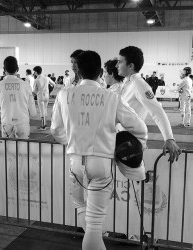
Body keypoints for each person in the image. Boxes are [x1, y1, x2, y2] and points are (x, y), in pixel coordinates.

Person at [51, 50, 148, 250]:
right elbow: (139, 127)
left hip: (75, 162)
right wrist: (134, 147)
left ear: (77, 69)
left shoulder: (64, 94)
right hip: (102, 164)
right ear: (100, 71)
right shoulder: (110, 97)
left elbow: (56, 130)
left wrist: (72, 143)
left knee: (81, 209)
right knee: (94, 226)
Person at [116, 46, 181, 162]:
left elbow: (157, 112)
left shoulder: (139, 85)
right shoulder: (127, 83)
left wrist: (169, 138)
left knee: (130, 179)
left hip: (132, 145)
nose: (117, 65)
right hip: (122, 141)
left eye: (120, 62)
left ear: (130, 66)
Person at [0, 56, 37, 139]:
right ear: (17, 69)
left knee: (7, 148)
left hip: (6, 120)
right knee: (23, 148)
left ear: (4, 69)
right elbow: (33, 111)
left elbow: (1, 102)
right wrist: (32, 113)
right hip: (22, 121)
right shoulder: (26, 85)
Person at [33, 66, 55, 130]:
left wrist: (37, 93)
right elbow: (54, 84)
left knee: (42, 110)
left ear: (36, 72)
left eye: (34, 72)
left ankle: (43, 126)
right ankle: (44, 124)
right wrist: (50, 91)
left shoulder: (37, 80)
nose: (34, 73)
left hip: (40, 96)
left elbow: (34, 90)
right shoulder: (46, 78)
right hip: (47, 95)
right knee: (45, 109)